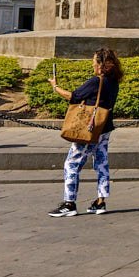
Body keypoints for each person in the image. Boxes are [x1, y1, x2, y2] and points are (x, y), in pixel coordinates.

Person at [48, 48, 124, 216]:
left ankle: (69, 204)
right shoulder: (114, 81)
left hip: (88, 129)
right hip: (105, 127)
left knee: (71, 164)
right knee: (101, 162)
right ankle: (100, 202)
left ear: (102, 65)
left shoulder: (97, 81)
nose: (92, 64)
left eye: (95, 61)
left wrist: (56, 87)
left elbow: (73, 96)